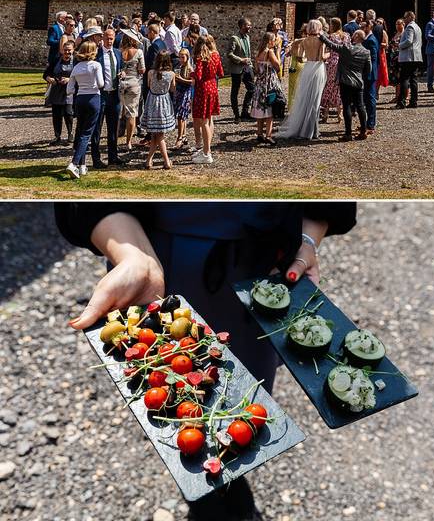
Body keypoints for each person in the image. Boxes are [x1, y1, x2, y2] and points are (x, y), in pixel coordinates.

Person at [56, 201, 355, 518]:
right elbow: (85, 199)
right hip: (160, 269)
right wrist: (134, 257)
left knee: (244, 393)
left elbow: (329, 203)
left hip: (263, 267)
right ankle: (210, 501)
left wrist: (306, 240)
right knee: (175, 416)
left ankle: (229, 489)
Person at [278, 19, 329, 141]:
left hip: (307, 68)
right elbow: (322, 57)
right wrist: (330, 55)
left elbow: (300, 55)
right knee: (315, 100)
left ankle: (303, 127)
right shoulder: (321, 41)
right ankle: (312, 130)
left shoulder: (304, 40)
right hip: (317, 68)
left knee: (305, 98)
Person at [319, 29, 371, 142]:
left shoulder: (347, 48)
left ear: (357, 36)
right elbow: (368, 70)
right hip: (358, 82)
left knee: (346, 106)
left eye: (354, 34)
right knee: (360, 106)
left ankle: (348, 134)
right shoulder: (366, 52)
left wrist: (321, 35)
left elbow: (332, 45)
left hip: (345, 81)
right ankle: (363, 131)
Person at [65, 40, 104, 179]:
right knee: (86, 133)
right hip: (93, 98)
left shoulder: (76, 67)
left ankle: (82, 166)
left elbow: (69, 89)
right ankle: (74, 163)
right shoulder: (96, 65)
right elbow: (101, 83)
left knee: (80, 131)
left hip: (80, 99)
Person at [91, 28, 122, 168]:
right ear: (102, 38)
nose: (109, 41)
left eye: (112, 38)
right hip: (101, 95)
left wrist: (122, 74)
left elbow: (121, 69)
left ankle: (113, 156)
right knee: (97, 128)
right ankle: (96, 158)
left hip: (114, 95)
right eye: (107, 38)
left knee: (113, 128)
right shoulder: (97, 54)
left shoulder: (117, 53)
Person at [190, 36, 223, 164]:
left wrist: (190, 73)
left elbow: (198, 76)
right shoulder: (216, 55)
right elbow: (220, 72)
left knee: (203, 121)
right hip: (213, 87)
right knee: (210, 119)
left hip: (203, 89)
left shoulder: (201, 58)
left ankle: (206, 153)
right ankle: (206, 148)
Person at [142, 51, 176, 170]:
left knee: (155, 134)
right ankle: (166, 161)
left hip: (152, 101)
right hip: (164, 102)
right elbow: (172, 89)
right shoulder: (171, 74)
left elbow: (149, 85)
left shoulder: (151, 72)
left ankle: (148, 160)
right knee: (159, 134)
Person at [250, 32, 282, 145]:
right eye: (274, 40)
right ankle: (268, 135)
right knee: (269, 111)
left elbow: (256, 69)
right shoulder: (270, 52)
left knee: (260, 110)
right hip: (269, 83)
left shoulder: (259, 52)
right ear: (269, 41)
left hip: (260, 83)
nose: (275, 42)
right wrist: (278, 52)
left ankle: (259, 133)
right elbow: (278, 65)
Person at [43, 39, 75, 145]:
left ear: (73, 50)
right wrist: (50, 79)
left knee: (68, 113)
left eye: (69, 50)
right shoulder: (56, 60)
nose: (67, 52)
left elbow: (80, 77)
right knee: (56, 114)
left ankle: (70, 134)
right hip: (56, 90)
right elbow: (46, 74)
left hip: (69, 91)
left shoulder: (76, 62)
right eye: (65, 50)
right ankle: (57, 136)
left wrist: (69, 80)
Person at [117, 30, 145, 152]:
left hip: (121, 83)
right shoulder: (139, 52)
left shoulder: (119, 52)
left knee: (119, 113)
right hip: (134, 83)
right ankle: (128, 142)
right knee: (131, 113)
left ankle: (114, 138)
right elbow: (142, 69)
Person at [319, 17, 347, 124]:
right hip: (343, 63)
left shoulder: (331, 37)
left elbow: (328, 50)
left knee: (329, 87)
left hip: (332, 63)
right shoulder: (346, 36)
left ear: (333, 25)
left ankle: (325, 114)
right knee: (339, 88)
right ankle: (339, 115)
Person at [228, 18, 255, 122]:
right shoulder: (234, 38)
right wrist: (241, 60)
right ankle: (236, 115)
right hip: (237, 69)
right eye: (248, 25)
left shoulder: (247, 37)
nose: (250, 27)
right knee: (235, 91)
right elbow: (229, 54)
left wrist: (251, 65)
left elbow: (248, 53)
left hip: (248, 68)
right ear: (242, 26)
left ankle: (245, 111)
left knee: (252, 89)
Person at [395, 11, 423, 109]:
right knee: (413, 80)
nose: (404, 19)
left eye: (405, 17)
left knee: (404, 79)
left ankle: (401, 102)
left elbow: (409, 41)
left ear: (410, 17)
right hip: (416, 57)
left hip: (408, 57)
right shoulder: (418, 27)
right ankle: (413, 101)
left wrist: (399, 45)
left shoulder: (410, 27)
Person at [172, 48, 194, 150]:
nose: (180, 59)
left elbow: (192, 82)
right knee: (182, 116)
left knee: (181, 116)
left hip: (185, 93)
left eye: (183, 57)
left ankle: (179, 138)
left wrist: (181, 79)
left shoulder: (189, 68)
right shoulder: (179, 67)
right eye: (179, 57)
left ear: (187, 57)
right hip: (179, 92)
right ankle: (183, 135)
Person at [361, 22, 380, 134]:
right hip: (366, 73)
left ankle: (371, 124)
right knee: (366, 99)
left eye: (363, 27)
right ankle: (366, 123)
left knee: (370, 99)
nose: (362, 29)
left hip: (370, 74)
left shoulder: (371, 40)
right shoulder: (367, 38)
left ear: (369, 27)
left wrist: (368, 72)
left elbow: (373, 59)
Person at [286, 23, 308, 112]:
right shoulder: (308, 41)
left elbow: (290, 53)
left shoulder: (297, 41)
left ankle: (292, 109)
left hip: (296, 65)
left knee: (293, 88)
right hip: (303, 64)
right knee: (301, 88)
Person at [387, 19, 403, 103]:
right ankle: (397, 96)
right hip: (393, 58)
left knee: (400, 77)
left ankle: (402, 96)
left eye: (399, 24)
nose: (397, 26)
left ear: (403, 24)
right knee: (396, 78)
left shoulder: (403, 34)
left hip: (400, 58)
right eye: (396, 24)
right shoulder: (395, 34)